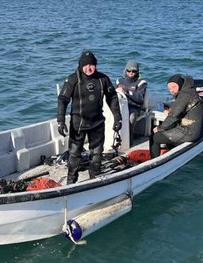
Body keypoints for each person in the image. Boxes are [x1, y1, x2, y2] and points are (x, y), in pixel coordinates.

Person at [57, 51, 122, 184]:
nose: (89, 68)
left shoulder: (103, 79)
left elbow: (113, 98)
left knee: (97, 154)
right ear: (80, 66)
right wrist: (61, 121)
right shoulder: (73, 79)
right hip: (78, 124)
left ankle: (94, 180)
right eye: (85, 65)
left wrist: (118, 118)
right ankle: (71, 181)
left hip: (97, 123)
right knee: (74, 155)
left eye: (92, 65)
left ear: (96, 65)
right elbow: (63, 99)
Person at [149, 74, 203, 159]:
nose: (171, 90)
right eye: (169, 88)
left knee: (155, 137)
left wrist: (160, 128)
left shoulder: (184, 95)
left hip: (190, 133)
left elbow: (173, 116)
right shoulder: (190, 92)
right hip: (197, 131)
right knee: (169, 130)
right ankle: (172, 151)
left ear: (179, 85)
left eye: (173, 87)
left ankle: (154, 161)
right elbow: (181, 108)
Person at [115, 60, 147, 136]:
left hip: (134, 107)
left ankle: (130, 136)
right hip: (120, 105)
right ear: (125, 71)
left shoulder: (141, 83)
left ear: (137, 72)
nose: (131, 73)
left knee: (131, 117)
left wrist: (126, 92)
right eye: (128, 71)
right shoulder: (119, 81)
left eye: (133, 71)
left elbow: (140, 99)